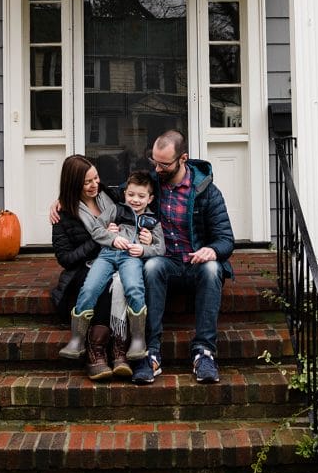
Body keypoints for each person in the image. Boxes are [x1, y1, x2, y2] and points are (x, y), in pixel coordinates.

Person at [136, 129, 234, 385]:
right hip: (167, 262)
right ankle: (152, 352)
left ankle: (204, 353)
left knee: (214, 269)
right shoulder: (153, 183)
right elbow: (119, 194)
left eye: (164, 164)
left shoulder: (207, 192)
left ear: (183, 158)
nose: (157, 169)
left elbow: (226, 239)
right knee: (152, 265)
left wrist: (211, 250)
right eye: (154, 161)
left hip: (196, 264)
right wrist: (66, 201)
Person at [51, 155, 141, 381]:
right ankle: (96, 350)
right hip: (84, 267)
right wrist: (100, 239)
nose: (94, 185)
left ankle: (119, 347)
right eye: (87, 182)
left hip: (118, 258)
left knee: (121, 280)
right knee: (103, 281)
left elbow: (140, 195)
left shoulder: (109, 195)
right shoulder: (63, 214)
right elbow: (66, 259)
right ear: (73, 184)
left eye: (96, 178)